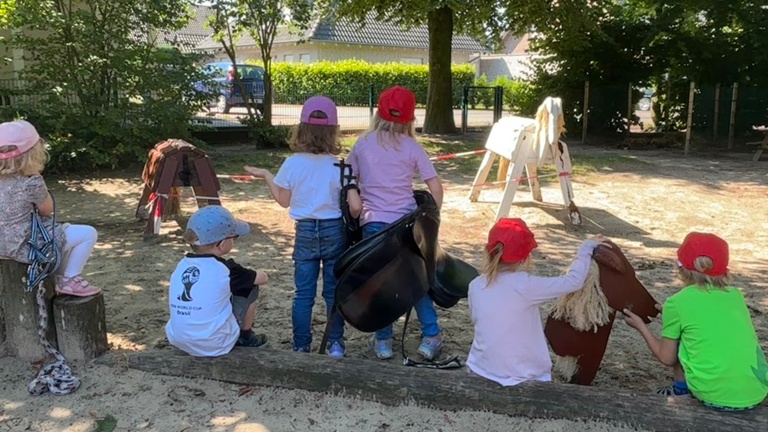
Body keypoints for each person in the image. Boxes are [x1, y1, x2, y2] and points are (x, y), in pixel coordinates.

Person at [244, 96, 361, 358]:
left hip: (305, 231)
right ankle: (335, 344)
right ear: (334, 131)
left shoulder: (292, 163)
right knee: (333, 293)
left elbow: (283, 201)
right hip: (334, 231)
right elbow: (355, 207)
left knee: (303, 294)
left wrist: (267, 176)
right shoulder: (341, 165)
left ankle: (301, 345)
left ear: (302, 128)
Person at [347, 85, 445, 361]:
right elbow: (435, 187)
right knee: (415, 281)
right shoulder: (412, 147)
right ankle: (431, 335)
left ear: (378, 112)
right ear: (410, 118)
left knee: (380, 285)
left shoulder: (363, 144)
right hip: (406, 227)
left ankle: (383, 341)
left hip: (373, 226)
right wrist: (433, 217)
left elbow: (347, 178)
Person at [623, 232, 768, 410]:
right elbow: (711, 322)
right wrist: (667, 314)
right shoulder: (736, 295)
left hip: (713, 396)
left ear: (681, 268)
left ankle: (680, 391)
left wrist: (640, 326)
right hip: (757, 391)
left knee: (679, 340)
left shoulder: (677, 302)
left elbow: (666, 357)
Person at [467, 218, 605, 386]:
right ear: (525, 257)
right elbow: (573, 282)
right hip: (523, 374)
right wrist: (586, 248)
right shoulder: (524, 285)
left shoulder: (475, 285)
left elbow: (478, 321)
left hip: (480, 367)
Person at [0, 120, 101, 297]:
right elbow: (47, 210)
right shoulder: (31, 182)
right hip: (25, 245)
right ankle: (70, 278)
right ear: (33, 154)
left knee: (61, 236)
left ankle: (57, 278)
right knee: (86, 234)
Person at [166, 205, 268, 357]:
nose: (234, 240)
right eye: (234, 237)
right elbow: (263, 278)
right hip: (216, 344)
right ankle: (246, 336)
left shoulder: (182, 265)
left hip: (178, 339)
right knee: (250, 286)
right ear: (221, 244)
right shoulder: (227, 269)